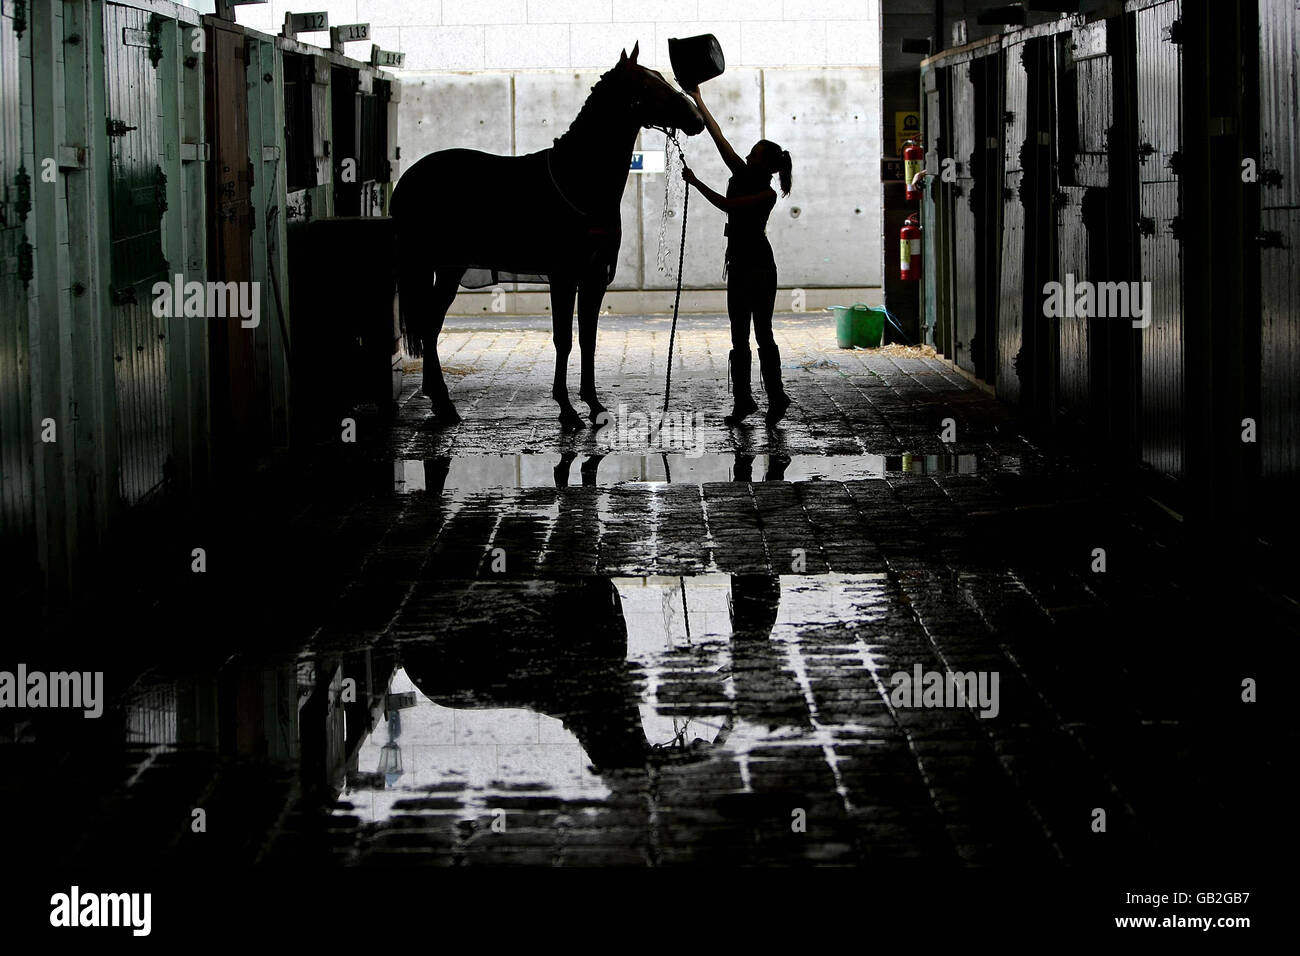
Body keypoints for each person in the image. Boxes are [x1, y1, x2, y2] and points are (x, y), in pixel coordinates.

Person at [681, 88, 794, 426]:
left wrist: (696, 183)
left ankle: (774, 396)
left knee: (761, 333)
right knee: (740, 335)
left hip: (756, 266)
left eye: (754, 154)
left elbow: (729, 207)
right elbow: (718, 136)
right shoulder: (744, 175)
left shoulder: (766, 194)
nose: (746, 155)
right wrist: (698, 99)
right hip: (743, 262)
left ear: (767, 165)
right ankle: (747, 400)